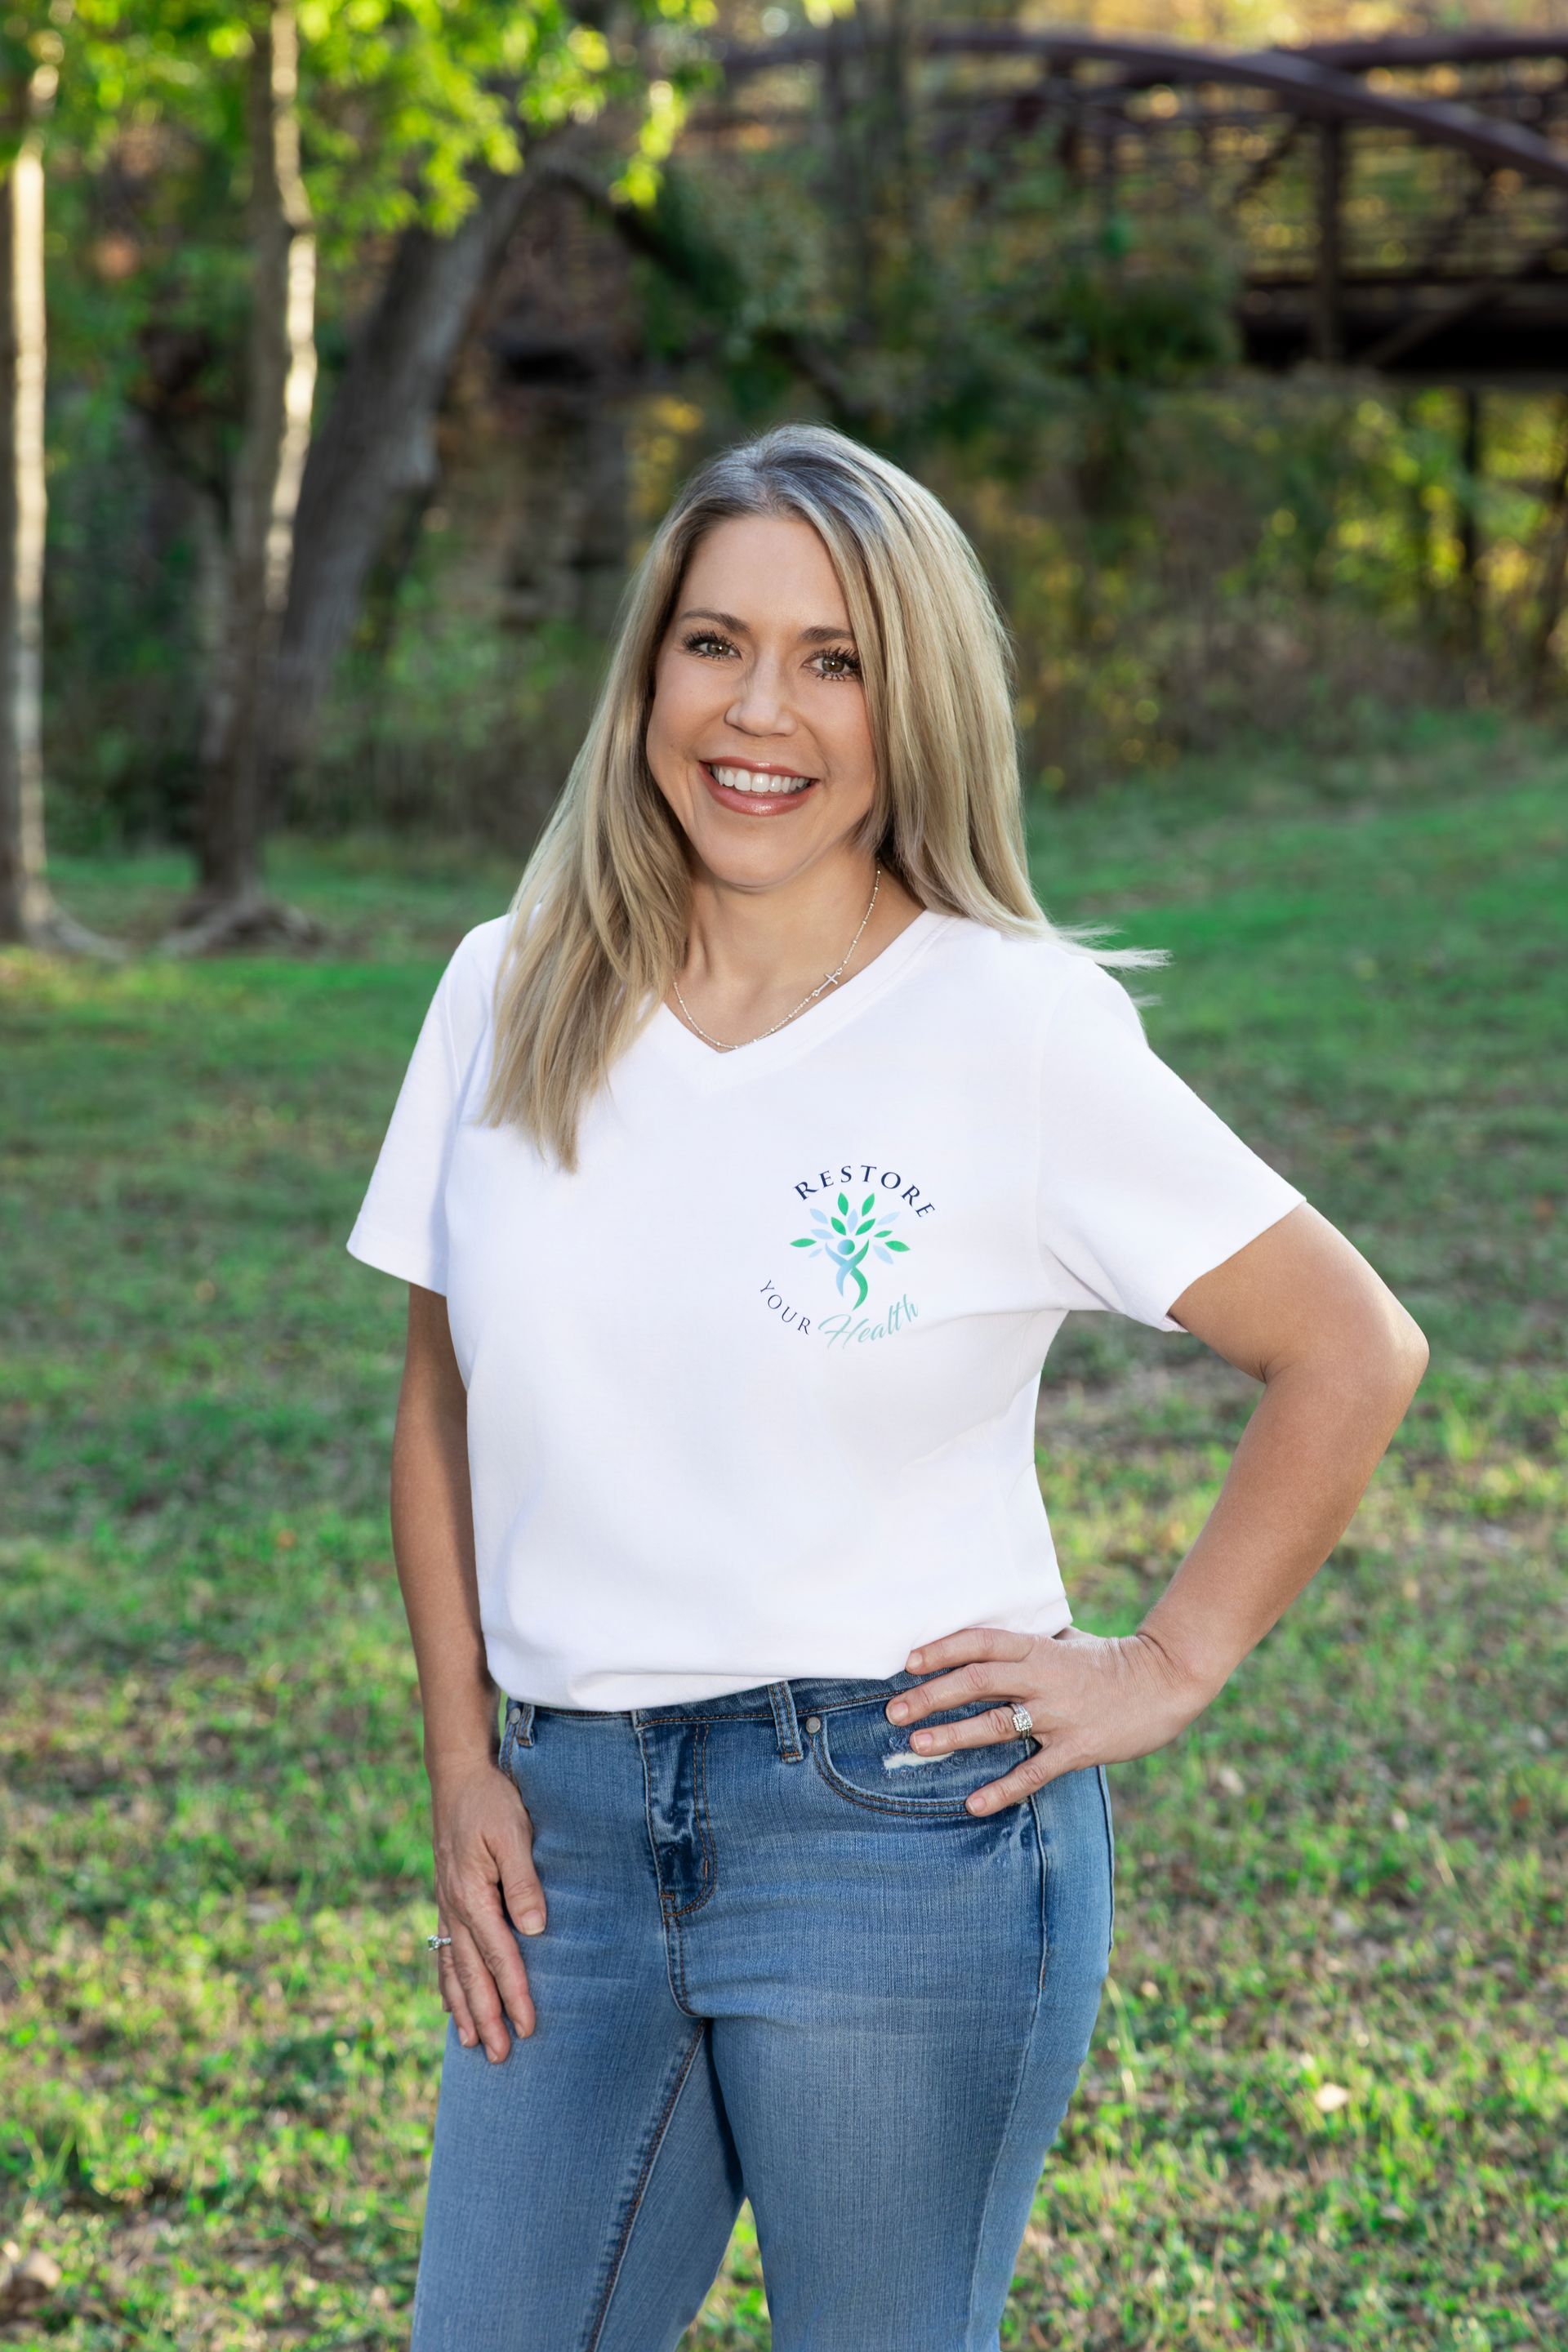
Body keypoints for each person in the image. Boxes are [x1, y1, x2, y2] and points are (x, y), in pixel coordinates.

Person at [346, 422, 1428, 2351]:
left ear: (909, 702)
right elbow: (441, 1396)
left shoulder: (1007, 1024)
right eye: (714, 643)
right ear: (648, 670)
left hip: (893, 1827)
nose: (761, 710)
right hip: (568, 1831)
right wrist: (461, 1767)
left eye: (833, 658)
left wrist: (1166, 1663)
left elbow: (1349, 1346)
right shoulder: (506, 987)